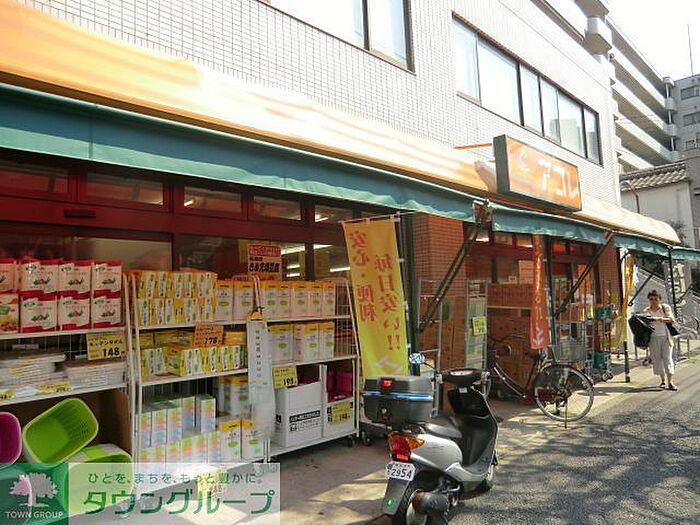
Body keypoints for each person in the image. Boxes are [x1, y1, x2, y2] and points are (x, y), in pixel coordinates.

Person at [642, 290, 677, 391]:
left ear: (659, 300)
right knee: (657, 359)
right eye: (651, 299)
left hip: (666, 337)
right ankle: (663, 380)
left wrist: (658, 319)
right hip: (653, 338)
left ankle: (670, 382)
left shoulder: (665, 308)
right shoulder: (646, 311)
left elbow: (671, 319)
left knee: (667, 358)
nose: (653, 301)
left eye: (656, 299)